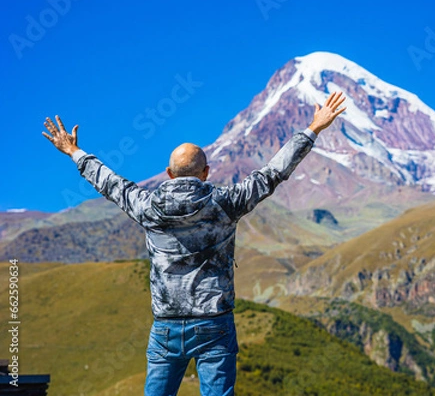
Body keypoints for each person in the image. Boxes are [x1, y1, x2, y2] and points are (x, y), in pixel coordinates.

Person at [42, 92, 346, 396]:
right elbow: (272, 174)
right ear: (206, 173)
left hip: (166, 325)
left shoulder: (147, 206)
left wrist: (74, 151)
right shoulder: (226, 203)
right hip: (214, 324)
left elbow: (110, 183)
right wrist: (313, 128)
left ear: (169, 174)